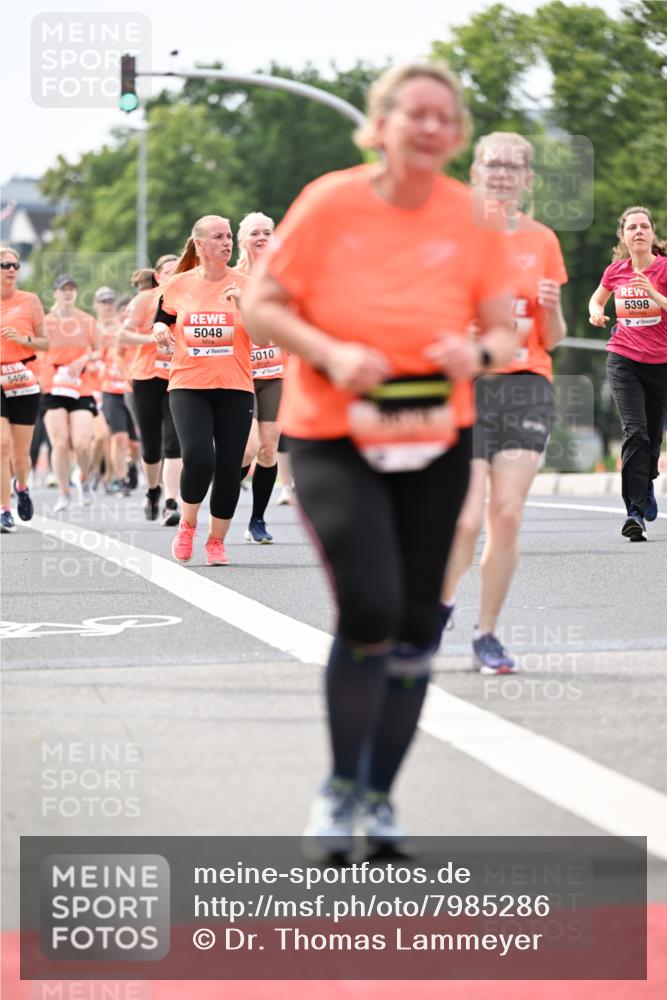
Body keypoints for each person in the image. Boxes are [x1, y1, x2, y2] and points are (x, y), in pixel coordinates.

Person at [241, 61, 518, 850]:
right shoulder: (330, 202)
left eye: (444, 115)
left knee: (414, 621)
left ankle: (378, 796)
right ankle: (337, 789)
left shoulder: (472, 218)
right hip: (335, 434)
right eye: (414, 113)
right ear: (381, 124)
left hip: (434, 433)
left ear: (456, 133)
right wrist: (329, 352)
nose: (430, 126)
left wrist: (477, 352)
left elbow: (504, 332)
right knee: (367, 605)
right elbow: (262, 306)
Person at [436, 132, 568, 674]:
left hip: (527, 384)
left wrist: (552, 309)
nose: (503, 172)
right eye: (493, 163)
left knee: (507, 517)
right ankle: (440, 606)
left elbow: (553, 338)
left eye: (515, 166)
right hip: (467, 386)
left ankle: (486, 633)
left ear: (528, 179)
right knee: (465, 520)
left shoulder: (543, 240)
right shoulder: (452, 234)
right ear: (475, 172)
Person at [153, 215, 254, 565]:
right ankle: (188, 523)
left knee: (228, 466)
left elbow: (265, 335)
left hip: (235, 386)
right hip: (188, 384)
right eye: (218, 237)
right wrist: (160, 333)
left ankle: (216, 541)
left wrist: (243, 305)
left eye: (229, 236)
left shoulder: (247, 283)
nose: (227, 242)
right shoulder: (178, 284)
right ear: (199, 244)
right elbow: (161, 321)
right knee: (198, 458)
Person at [589, 206, 667, 541]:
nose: (638, 231)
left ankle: (647, 478)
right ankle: (634, 512)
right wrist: (596, 313)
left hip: (661, 365)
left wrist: (654, 295)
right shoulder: (615, 271)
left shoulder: (664, 269)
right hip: (624, 358)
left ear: (652, 234)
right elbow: (597, 299)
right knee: (634, 432)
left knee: (651, 440)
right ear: (623, 236)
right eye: (632, 227)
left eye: (644, 227)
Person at [120, 255, 182, 525]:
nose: (173, 275)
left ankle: (171, 502)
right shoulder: (145, 299)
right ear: (157, 276)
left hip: (177, 380)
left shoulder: (189, 298)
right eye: (168, 271)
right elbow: (123, 335)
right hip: (145, 379)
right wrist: (152, 338)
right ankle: (152, 490)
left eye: (178, 270)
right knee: (151, 445)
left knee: (173, 442)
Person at [235, 212, 282, 542]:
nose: (262, 237)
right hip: (239, 372)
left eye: (267, 232)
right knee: (247, 450)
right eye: (255, 233)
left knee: (268, 449)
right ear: (242, 240)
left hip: (276, 372)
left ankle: (258, 520)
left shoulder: (283, 277)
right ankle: (223, 496)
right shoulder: (230, 278)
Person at [41, 275, 100, 512]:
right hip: (53, 386)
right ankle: (64, 493)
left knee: (83, 444)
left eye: (72, 289)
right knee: (61, 443)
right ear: (55, 293)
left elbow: (98, 351)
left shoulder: (86, 320)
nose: (68, 293)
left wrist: (84, 358)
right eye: (63, 290)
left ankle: (83, 479)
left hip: (80, 386)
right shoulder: (45, 322)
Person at [0, 245, 47, 532]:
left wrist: (23, 338)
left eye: (15, 265)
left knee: (20, 453)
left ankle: (23, 485)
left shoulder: (30, 301)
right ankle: (4, 509)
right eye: (5, 265)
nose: (11, 270)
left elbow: (46, 342)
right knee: (1, 445)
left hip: (22, 376)